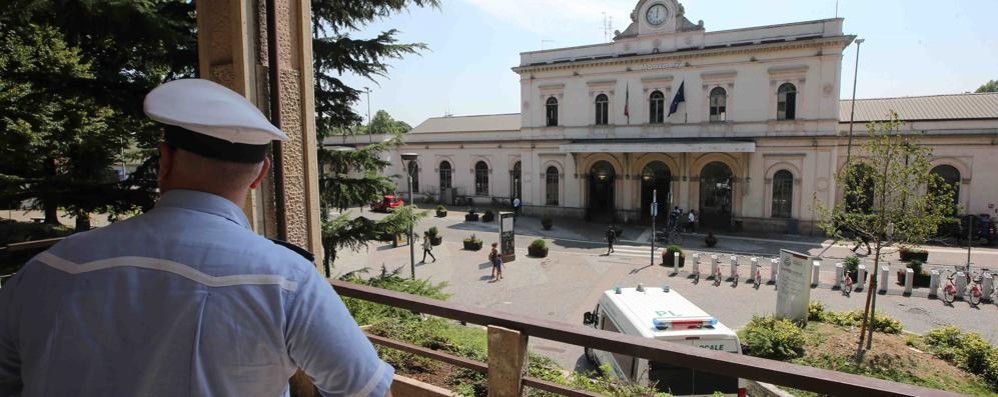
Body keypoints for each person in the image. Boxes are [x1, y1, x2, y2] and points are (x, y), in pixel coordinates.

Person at [0, 79, 394, 396]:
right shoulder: (285, 280)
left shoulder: (48, 267)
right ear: (260, 175)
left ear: (165, 160)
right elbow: (364, 390)